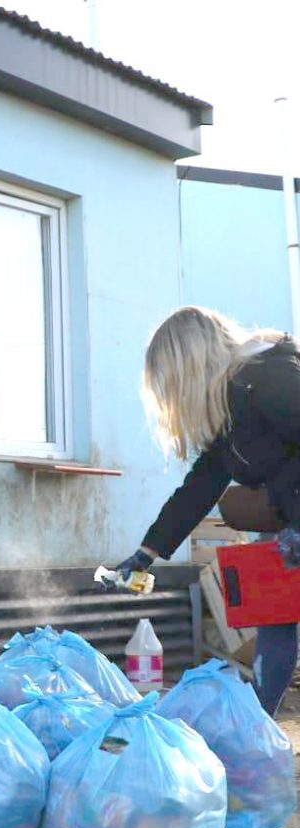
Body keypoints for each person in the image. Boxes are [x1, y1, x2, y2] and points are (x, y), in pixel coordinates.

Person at [116, 305, 300, 716]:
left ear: (193, 366)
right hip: (289, 518)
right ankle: (257, 731)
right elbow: (201, 486)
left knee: (278, 616)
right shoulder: (233, 405)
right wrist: (148, 552)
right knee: (275, 613)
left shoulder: (273, 379)